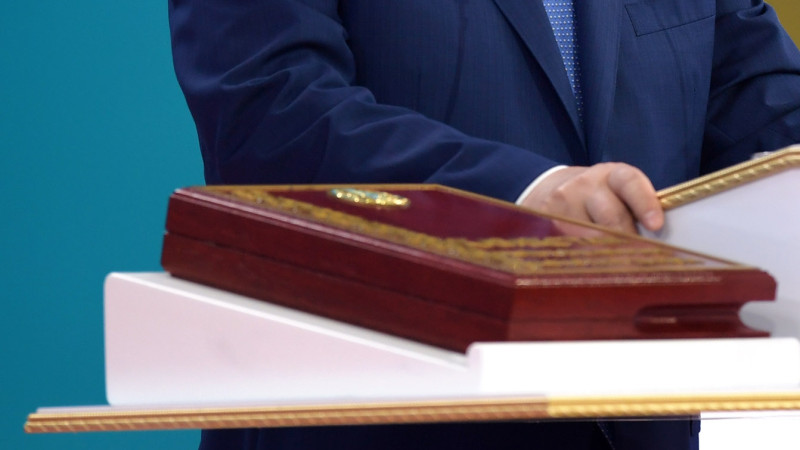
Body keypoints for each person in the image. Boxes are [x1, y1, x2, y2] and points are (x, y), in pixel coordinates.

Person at [168, 0, 800, 448]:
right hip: (381, 421)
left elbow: (760, 103)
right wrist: (522, 196)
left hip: (644, 421)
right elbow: (272, 115)